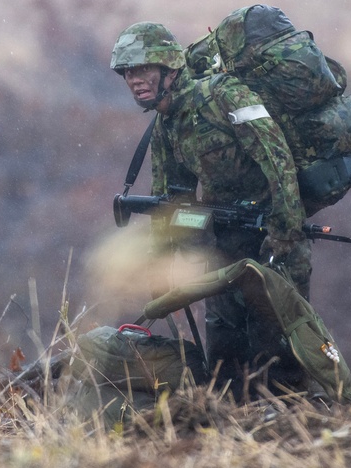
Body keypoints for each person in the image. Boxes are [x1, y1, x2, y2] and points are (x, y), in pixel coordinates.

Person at [110, 21, 312, 398]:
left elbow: (277, 156)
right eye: (127, 73)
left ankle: (293, 440)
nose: (134, 80)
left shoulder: (222, 96)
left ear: (169, 68)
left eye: (142, 70)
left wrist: (285, 232)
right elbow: (168, 203)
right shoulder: (166, 126)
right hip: (225, 247)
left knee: (281, 363)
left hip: (273, 239)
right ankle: (230, 444)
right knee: (224, 366)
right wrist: (162, 265)